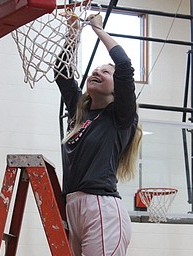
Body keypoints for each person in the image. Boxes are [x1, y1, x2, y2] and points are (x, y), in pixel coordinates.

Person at [55, 14, 142, 256]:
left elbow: (124, 66)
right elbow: (61, 71)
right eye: (96, 69)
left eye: (106, 72)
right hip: (73, 207)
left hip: (100, 207)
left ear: (117, 89)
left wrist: (98, 31)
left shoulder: (120, 117)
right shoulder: (78, 114)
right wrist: (72, 33)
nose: (97, 71)